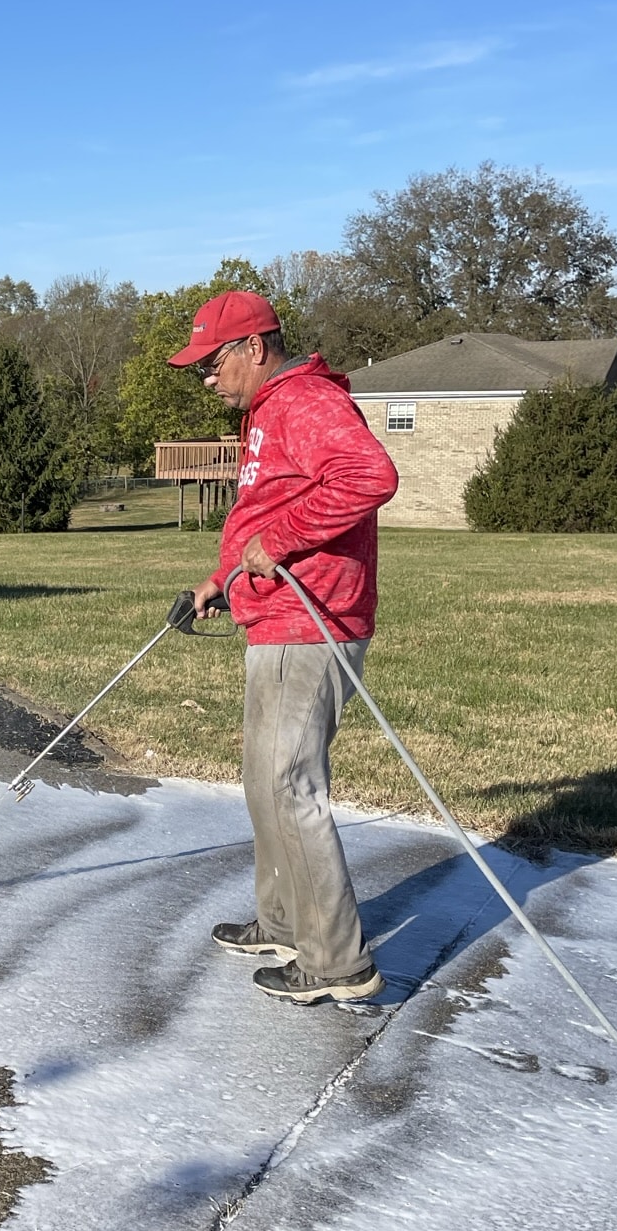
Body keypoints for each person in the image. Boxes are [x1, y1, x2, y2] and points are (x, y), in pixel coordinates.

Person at [173, 289, 399, 1004]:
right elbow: (268, 511)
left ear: (253, 347)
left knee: (289, 785)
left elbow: (371, 475)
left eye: (211, 364)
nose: (207, 379)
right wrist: (222, 580)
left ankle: (336, 962)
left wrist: (283, 541)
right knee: (262, 781)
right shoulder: (270, 411)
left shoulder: (305, 402)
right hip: (274, 618)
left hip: (313, 622)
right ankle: (282, 923)